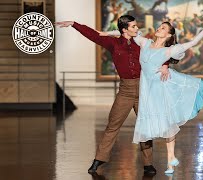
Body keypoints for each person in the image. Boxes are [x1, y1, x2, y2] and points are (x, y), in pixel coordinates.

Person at [100, 15, 203, 174]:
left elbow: (193, 43)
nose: (159, 29)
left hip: (166, 83)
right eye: (160, 26)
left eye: (163, 28)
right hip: (151, 91)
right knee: (167, 122)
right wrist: (104, 34)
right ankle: (171, 161)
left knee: (199, 85)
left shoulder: (170, 50)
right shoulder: (145, 43)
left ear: (169, 35)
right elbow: (124, 34)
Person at [55, 15, 183, 175]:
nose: (138, 29)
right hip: (125, 90)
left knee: (145, 128)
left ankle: (148, 164)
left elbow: (164, 50)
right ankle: (98, 160)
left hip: (145, 89)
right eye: (134, 27)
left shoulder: (144, 43)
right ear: (124, 30)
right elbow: (94, 35)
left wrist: (164, 65)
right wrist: (74, 24)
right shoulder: (113, 43)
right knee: (112, 125)